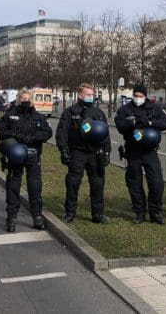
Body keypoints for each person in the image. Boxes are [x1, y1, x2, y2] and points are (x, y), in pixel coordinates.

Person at [0, 88, 53, 232]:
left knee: (35, 187)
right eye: (23, 99)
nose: (26, 101)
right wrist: (17, 136)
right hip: (16, 155)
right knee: (13, 186)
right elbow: (2, 132)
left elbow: (47, 132)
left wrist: (34, 138)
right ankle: (11, 218)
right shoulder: (10, 115)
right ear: (18, 100)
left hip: (33, 155)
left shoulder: (39, 117)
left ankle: (37, 216)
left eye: (28, 99)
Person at [55, 83, 112, 224]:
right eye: (88, 94)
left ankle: (98, 214)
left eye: (92, 95)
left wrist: (107, 152)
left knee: (98, 183)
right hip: (77, 152)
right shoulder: (70, 112)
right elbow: (62, 133)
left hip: (95, 153)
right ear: (80, 95)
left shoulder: (98, 113)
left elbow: (105, 134)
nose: (90, 97)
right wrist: (64, 150)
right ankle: (70, 212)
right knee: (73, 182)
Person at [114, 84, 166, 225]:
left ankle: (155, 212)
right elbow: (120, 125)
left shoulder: (154, 108)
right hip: (133, 151)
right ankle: (139, 212)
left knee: (157, 182)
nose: (138, 98)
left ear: (145, 96)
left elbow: (165, 122)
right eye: (136, 95)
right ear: (133, 96)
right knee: (134, 183)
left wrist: (150, 122)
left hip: (150, 151)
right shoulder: (125, 109)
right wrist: (133, 123)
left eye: (141, 96)